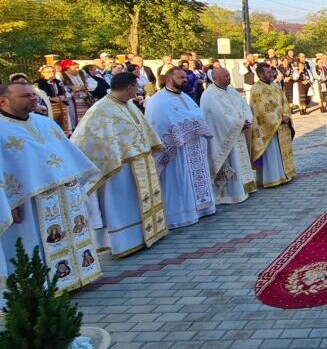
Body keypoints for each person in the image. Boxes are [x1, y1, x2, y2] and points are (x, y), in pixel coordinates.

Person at [0, 81, 102, 293]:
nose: (33, 98)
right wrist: (7, 205)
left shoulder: (45, 123)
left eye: (32, 94)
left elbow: (68, 156)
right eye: (25, 96)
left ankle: (75, 276)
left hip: (63, 197)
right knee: (35, 243)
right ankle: (45, 287)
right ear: (3, 101)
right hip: (28, 202)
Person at [72, 72, 169, 257]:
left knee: (135, 203)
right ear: (129, 88)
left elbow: (142, 128)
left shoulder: (127, 104)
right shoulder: (101, 109)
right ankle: (125, 243)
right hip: (119, 168)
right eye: (136, 87)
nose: (137, 91)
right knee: (122, 205)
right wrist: (113, 156)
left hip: (139, 163)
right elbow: (86, 140)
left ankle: (146, 234)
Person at [145, 67, 216, 228]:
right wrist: (192, 125)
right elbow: (159, 124)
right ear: (170, 79)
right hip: (177, 151)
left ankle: (202, 209)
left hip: (194, 147)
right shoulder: (158, 101)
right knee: (179, 180)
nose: (185, 80)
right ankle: (181, 215)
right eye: (181, 77)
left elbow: (197, 115)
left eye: (185, 77)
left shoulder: (185, 96)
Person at [201, 67, 257, 205]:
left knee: (241, 161)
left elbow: (244, 106)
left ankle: (245, 187)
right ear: (215, 79)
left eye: (228, 75)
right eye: (224, 76)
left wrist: (247, 119)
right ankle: (232, 194)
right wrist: (239, 124)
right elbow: (219, 117)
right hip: (224, 136)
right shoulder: (209, 95)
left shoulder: (231, 90)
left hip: (239, 133)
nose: (228, 78)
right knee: (233, 161)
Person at [249, 63, 296, 187]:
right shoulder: (256, 89)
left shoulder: (275, 86)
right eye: (268, 72)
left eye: (271, 72)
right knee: (271, 152)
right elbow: (260, 109)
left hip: (281, 123)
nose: (271, 74)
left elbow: (284, 101)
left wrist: (286, 114)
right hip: (268, 127)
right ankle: (272, 178)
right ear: (260, 74)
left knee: (280, 151)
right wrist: (279, 119)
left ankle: (284, 174)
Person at [60, 59, 96, 129]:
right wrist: (70, 88)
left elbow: (93, 83)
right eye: (75, 68)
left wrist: (85, 87)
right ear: (67, 68)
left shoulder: (82, 72)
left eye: (78, 67)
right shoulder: (61, 75)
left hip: (85, 99)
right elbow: (61, 87)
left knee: (88, 117)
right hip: (72, 100)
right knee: (76, 118)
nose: (77, 69)